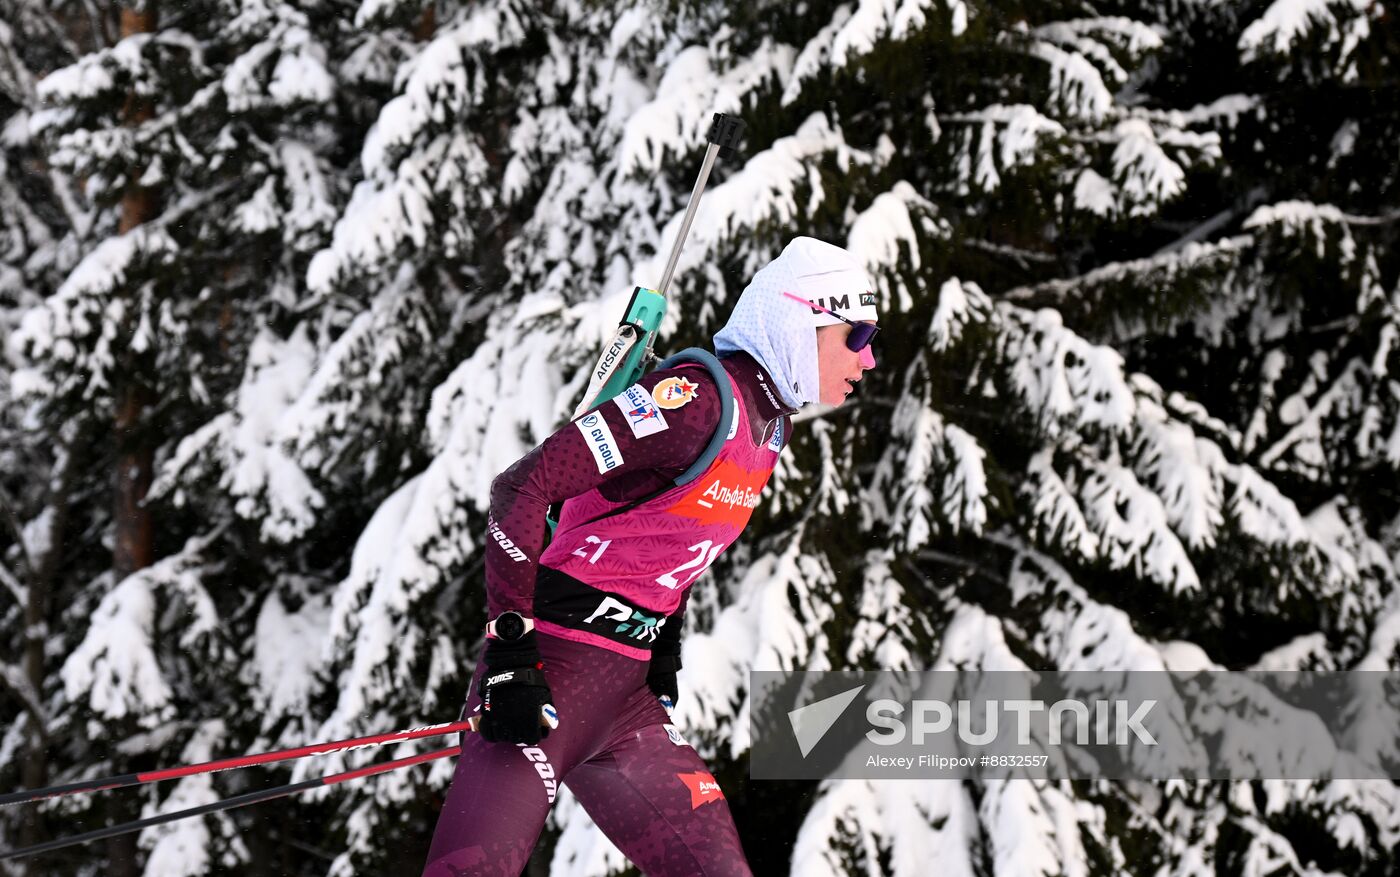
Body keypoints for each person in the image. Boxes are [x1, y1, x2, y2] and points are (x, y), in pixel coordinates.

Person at [421, 237, 879, 876]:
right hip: (546, 673)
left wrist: (664, 641)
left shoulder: (769, 426)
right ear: (802, 323)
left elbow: (674, 536)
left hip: (627, 703)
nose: (869, 356)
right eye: (855, 335)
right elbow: (520, 489)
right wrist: (510, 653)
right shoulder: (694, 402)